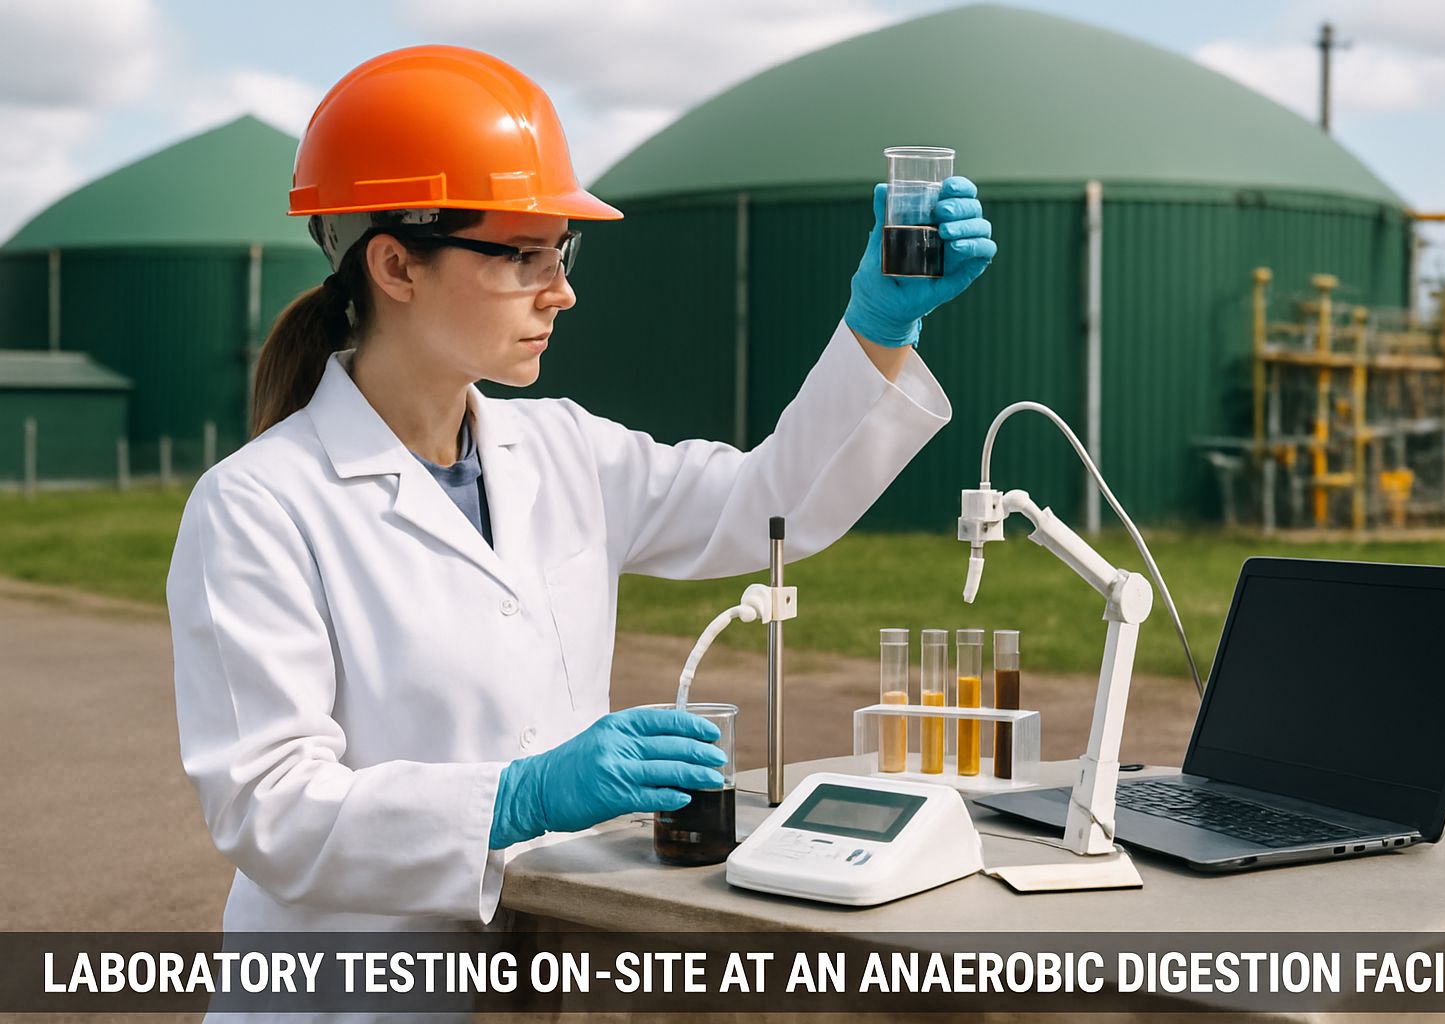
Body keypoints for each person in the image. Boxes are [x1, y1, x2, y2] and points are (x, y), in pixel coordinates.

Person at [168, 45, 994, 945]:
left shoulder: (561, 448)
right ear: (396, 267)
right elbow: (270, 809)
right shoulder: (258, 504)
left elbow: (768, 509)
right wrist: (520, 797)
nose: (560, 293)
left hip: (549, 958)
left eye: (563, 252)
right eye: (523, 256)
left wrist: (876, 328)